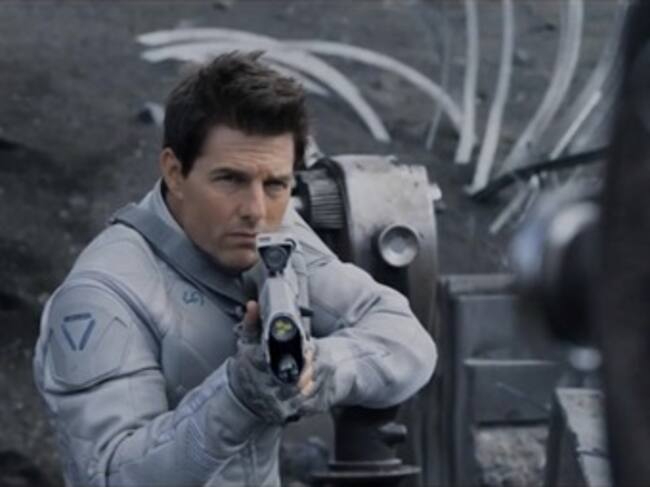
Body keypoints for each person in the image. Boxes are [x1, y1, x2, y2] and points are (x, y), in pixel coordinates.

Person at [33, 51, 437, 487]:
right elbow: (113, 477)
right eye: (230, 179)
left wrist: (321, 369)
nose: (256, 210)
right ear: (174, 171)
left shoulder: (271, 232)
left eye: (275, 184)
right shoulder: (102, 298)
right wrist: (237, 398)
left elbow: (408, 341)